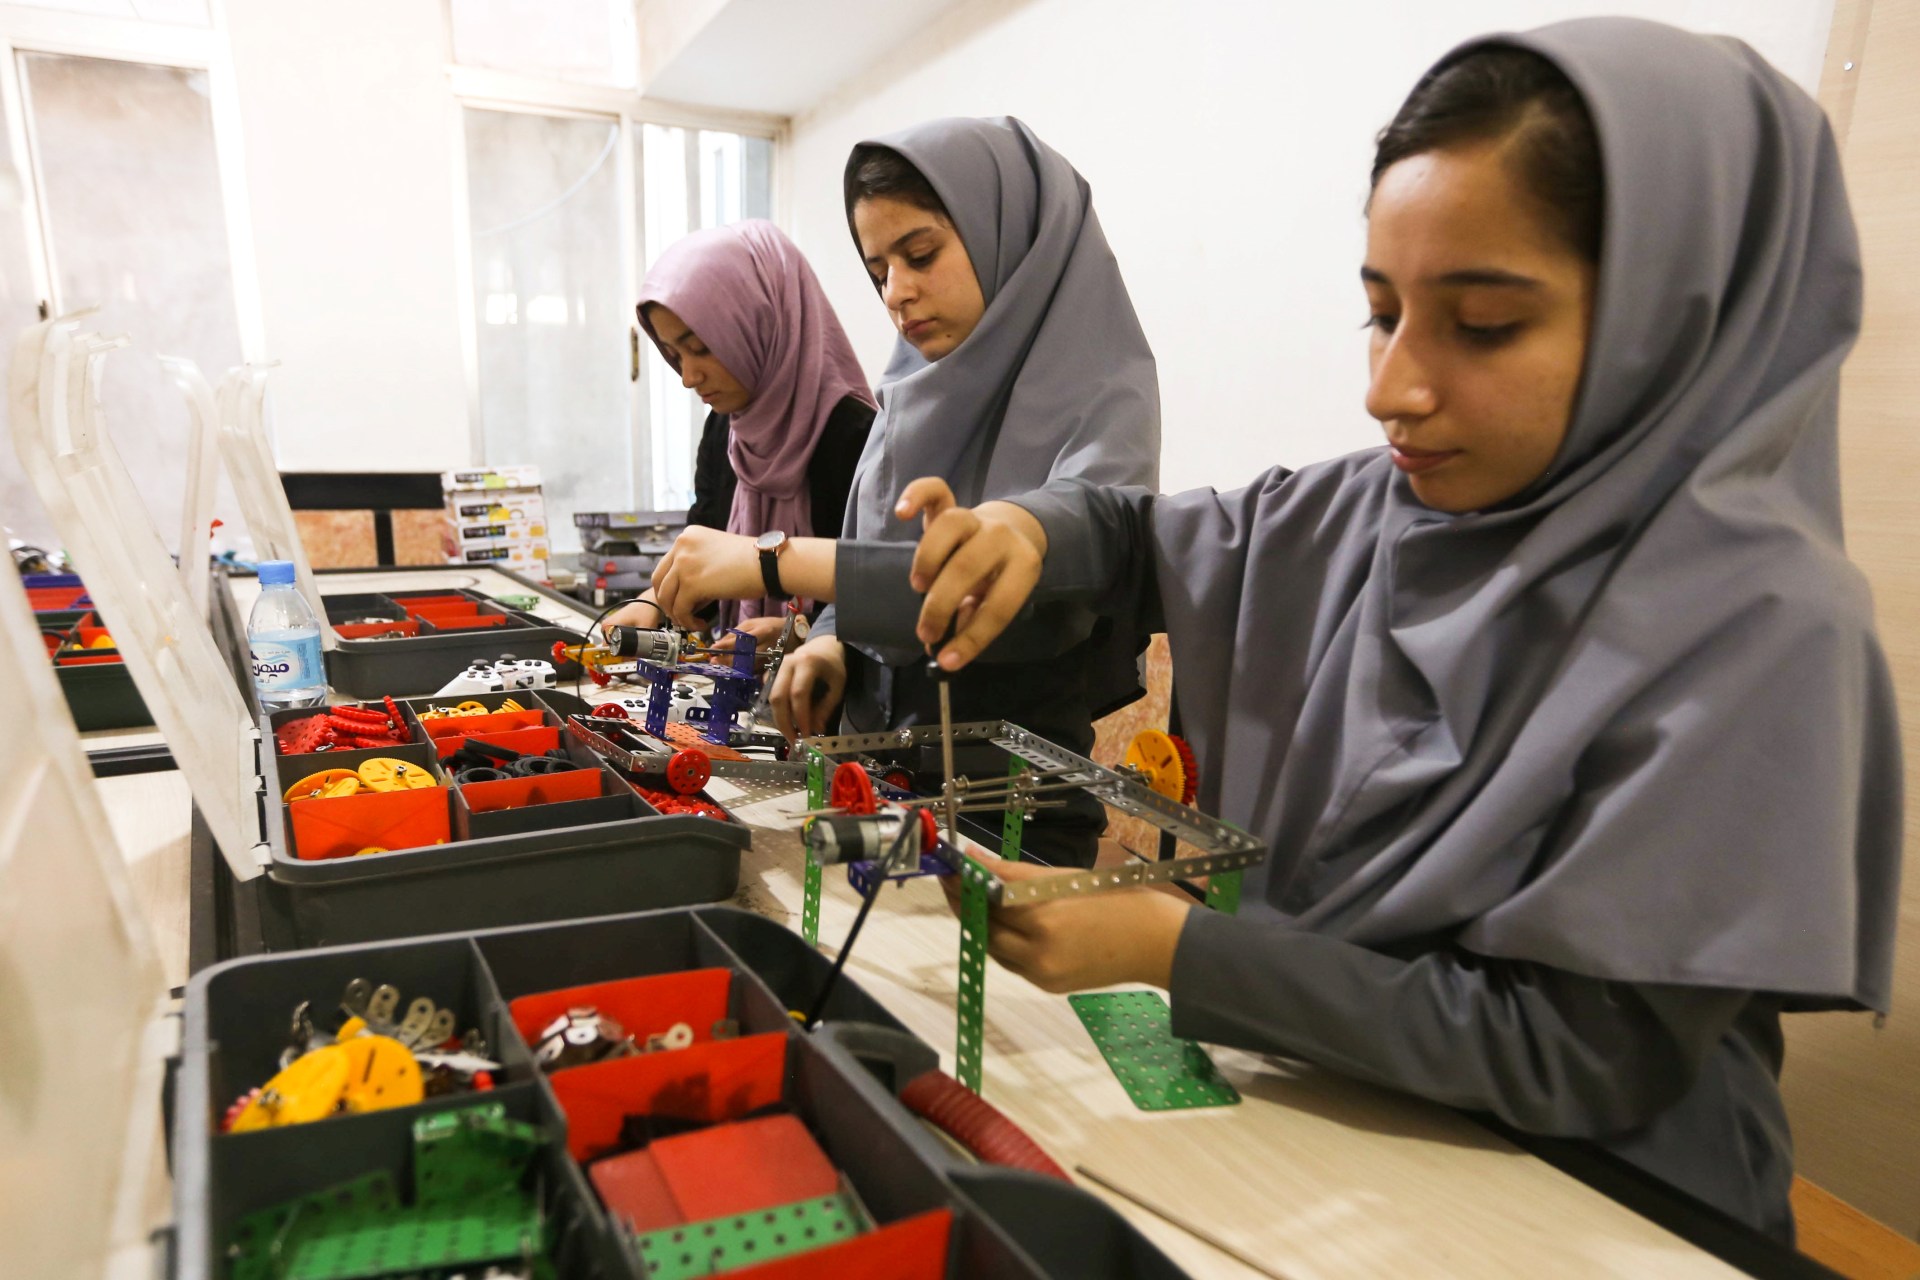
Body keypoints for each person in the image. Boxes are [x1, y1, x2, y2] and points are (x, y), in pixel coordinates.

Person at [653, 21, 1902, 1241]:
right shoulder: (1382, 507)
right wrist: (1031, 527)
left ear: (1675, 310)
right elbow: (1143, 537)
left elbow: (1581, 1051)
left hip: (1609, 1208)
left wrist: (1177, 948)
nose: (1390, 389)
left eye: (1483, 323)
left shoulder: (1764, 629)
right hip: (1351, 1115)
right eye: (1381, 313)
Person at [661, 117, 1161, 868]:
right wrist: (832, 639)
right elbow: (876, 552)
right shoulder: (910, 394)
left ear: (1009, 238)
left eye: (920, 255)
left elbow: (1004, 581)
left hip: (1008, 817)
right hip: (872, 783)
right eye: (879, 272)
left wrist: (771, 562)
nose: (896, 293)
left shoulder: (1103, 405)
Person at [606, 219, 874, 646]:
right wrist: (654, 601)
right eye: (675, 355)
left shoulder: (854, 436)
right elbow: (703, 554)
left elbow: (879, 593)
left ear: (761, 323)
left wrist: (800, 633)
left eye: (701, 348)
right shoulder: (725, 428)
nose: (688, 377)